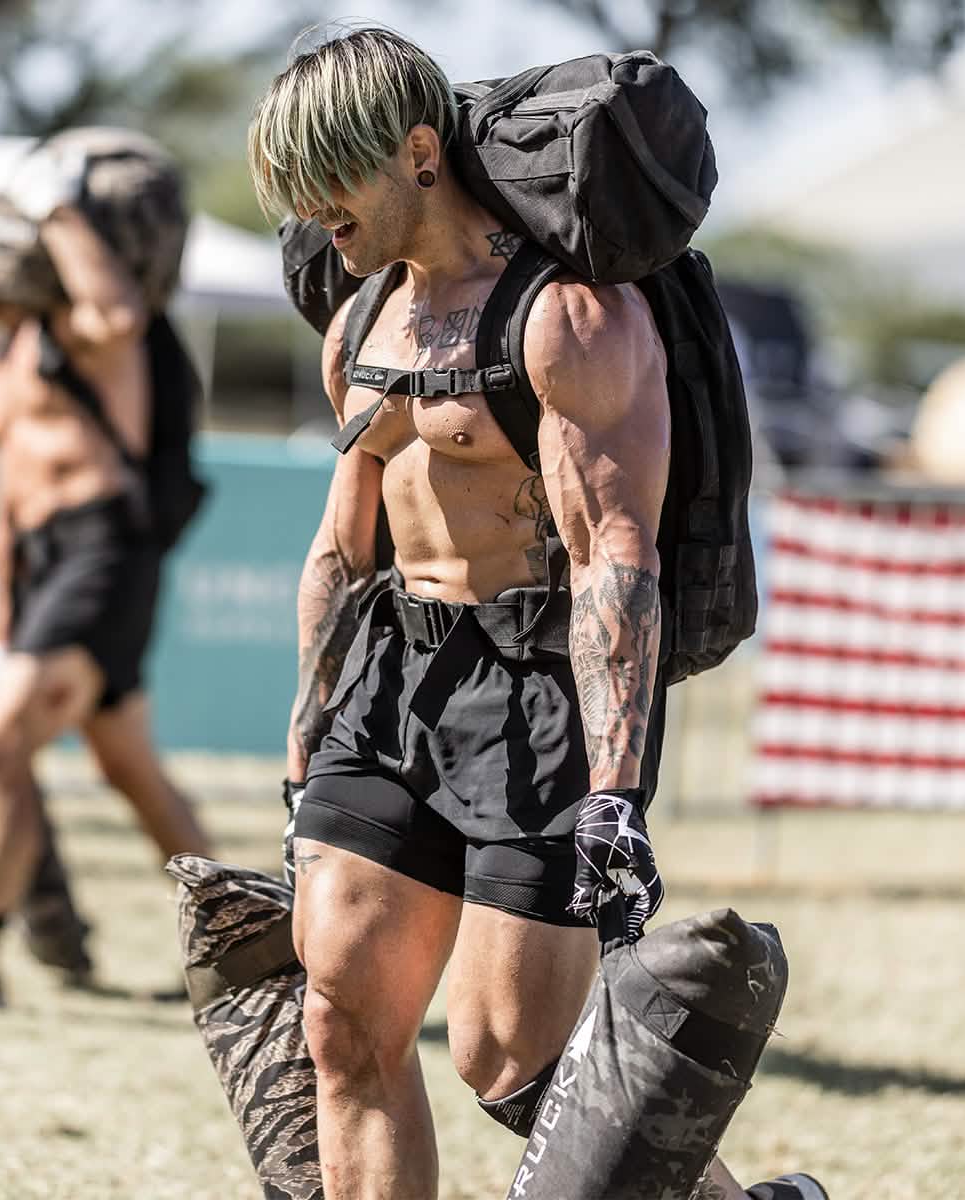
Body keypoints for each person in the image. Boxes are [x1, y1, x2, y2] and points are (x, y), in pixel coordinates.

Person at [249, 27, 826, 1200]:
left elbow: (615, 552)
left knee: (512, 1063)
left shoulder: (570, 319)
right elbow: (340, 541)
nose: (314, 213)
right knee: (342, 1024)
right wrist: (307, 730)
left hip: (539, 687)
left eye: (331, 179)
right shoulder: (358, 324)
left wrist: (615, 794)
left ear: (419, 154)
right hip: (390, 677)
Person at [0, 184, 211, 1007]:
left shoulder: (83, 334)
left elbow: (122, 315)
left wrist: (56, 211)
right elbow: (7, 502)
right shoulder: (3, 360)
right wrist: (3, 618)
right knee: (130, 769)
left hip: (103, 554)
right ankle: (257, 948)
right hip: (44, 573)